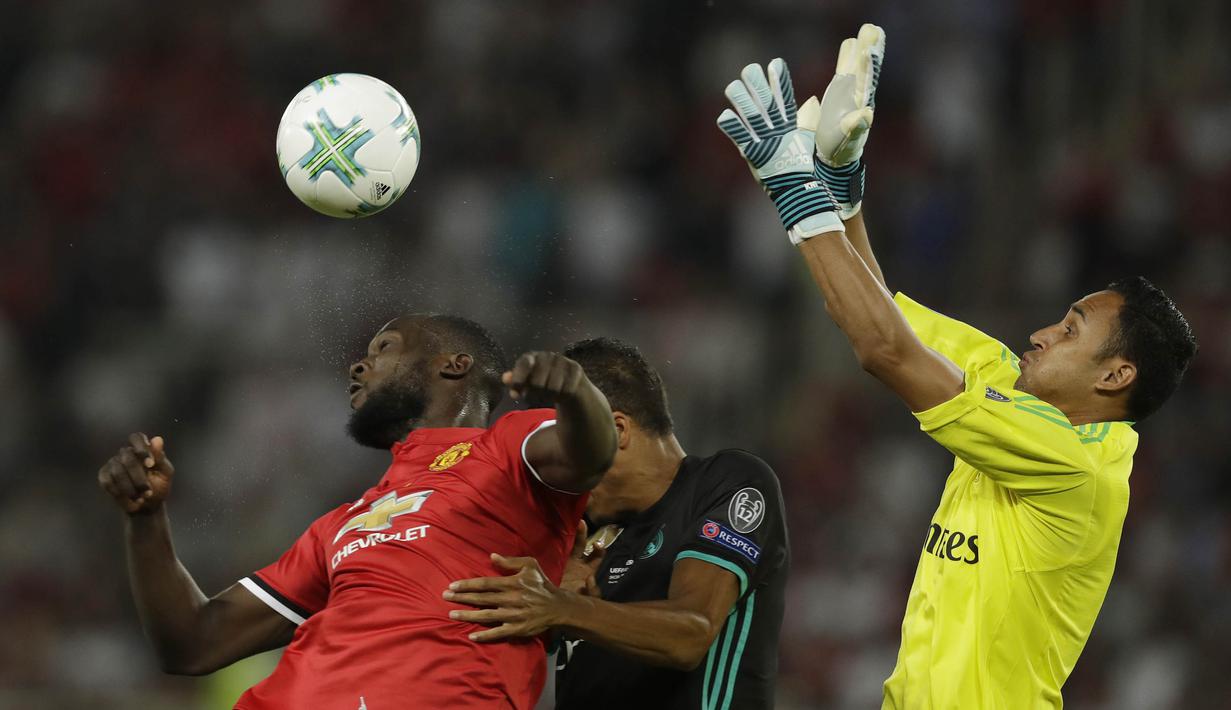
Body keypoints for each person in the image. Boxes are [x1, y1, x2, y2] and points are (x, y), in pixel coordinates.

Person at [717, 26, 1198, 708]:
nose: (1038, 334)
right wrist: (842, 191)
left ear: (1113, 376)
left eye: (1068, 331)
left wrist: (791, 189)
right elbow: (879, 319)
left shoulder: (1075, 466)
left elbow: (882, 353)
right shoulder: (1016, 388)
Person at [95, 314, 618, 709]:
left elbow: (590, 453)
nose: (359, 364)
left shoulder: (508, 446)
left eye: (384, 347)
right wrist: (145, 520)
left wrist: (576, 390)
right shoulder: (344, 522)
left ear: (454, 365)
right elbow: (193, 643)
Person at [443, 337, 789, 710]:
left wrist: (562, 608)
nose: (556, 475)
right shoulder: (581, 533)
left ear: (616, 432)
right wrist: (553, 615)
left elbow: (691, 633)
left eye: (563, 452)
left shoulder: (726, 482)